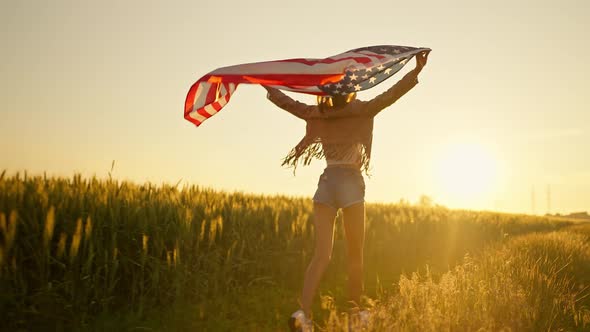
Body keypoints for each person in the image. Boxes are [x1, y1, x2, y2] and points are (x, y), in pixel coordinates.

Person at [264, 51, 429, 332]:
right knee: (355, 255)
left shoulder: (319, 113)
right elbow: (390, 95)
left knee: (322, 254)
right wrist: (415, 71)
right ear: (351, 91)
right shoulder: (362, 110)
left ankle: (303, 314)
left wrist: (268, 86)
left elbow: (290, 104)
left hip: (326, 184)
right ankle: (356, 315)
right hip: (351, 183)